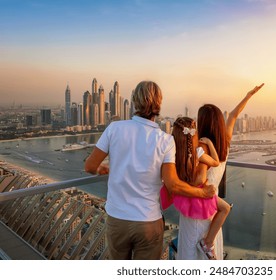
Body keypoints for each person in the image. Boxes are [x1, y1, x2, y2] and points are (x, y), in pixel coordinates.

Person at [84, 80, 215, 260]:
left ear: (134, 101)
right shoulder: (165, 140)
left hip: (117, 219)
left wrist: (102, 169)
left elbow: (90, 166)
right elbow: (173, 185)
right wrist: (203, 194)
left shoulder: (114, 128)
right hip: (148, 221)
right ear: (159, 104)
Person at [177, 83, 265, 260]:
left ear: (201, 122)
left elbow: (198, 178)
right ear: (218, 122)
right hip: (212, 206)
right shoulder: (224, 142)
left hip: (198, 205)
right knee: (208, 250)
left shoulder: (202, 147)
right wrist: (248, 95)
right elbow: (233, 116)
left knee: (192, 252)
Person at [160, 117, 231, 260]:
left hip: (185, 194)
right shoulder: (198, 152)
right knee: (225, 208)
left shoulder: (173, 154)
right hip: (202, 194)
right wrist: (210, 144)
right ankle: (208, 243)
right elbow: (216, 162)